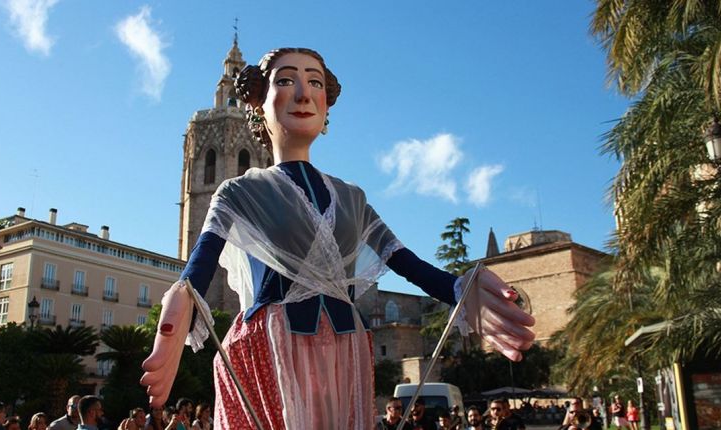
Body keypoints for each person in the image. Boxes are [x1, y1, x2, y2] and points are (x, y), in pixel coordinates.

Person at [140, 47, 536, 429]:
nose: (304, 92)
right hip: (272, 346)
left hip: (345, 349)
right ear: (259, 105)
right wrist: (180, 305)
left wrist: (461, 289)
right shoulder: (237, 193)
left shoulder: (353, 198)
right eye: (286, 80)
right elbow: (201, 263)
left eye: (315, 83)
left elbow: (406, 262)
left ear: (327, 107)